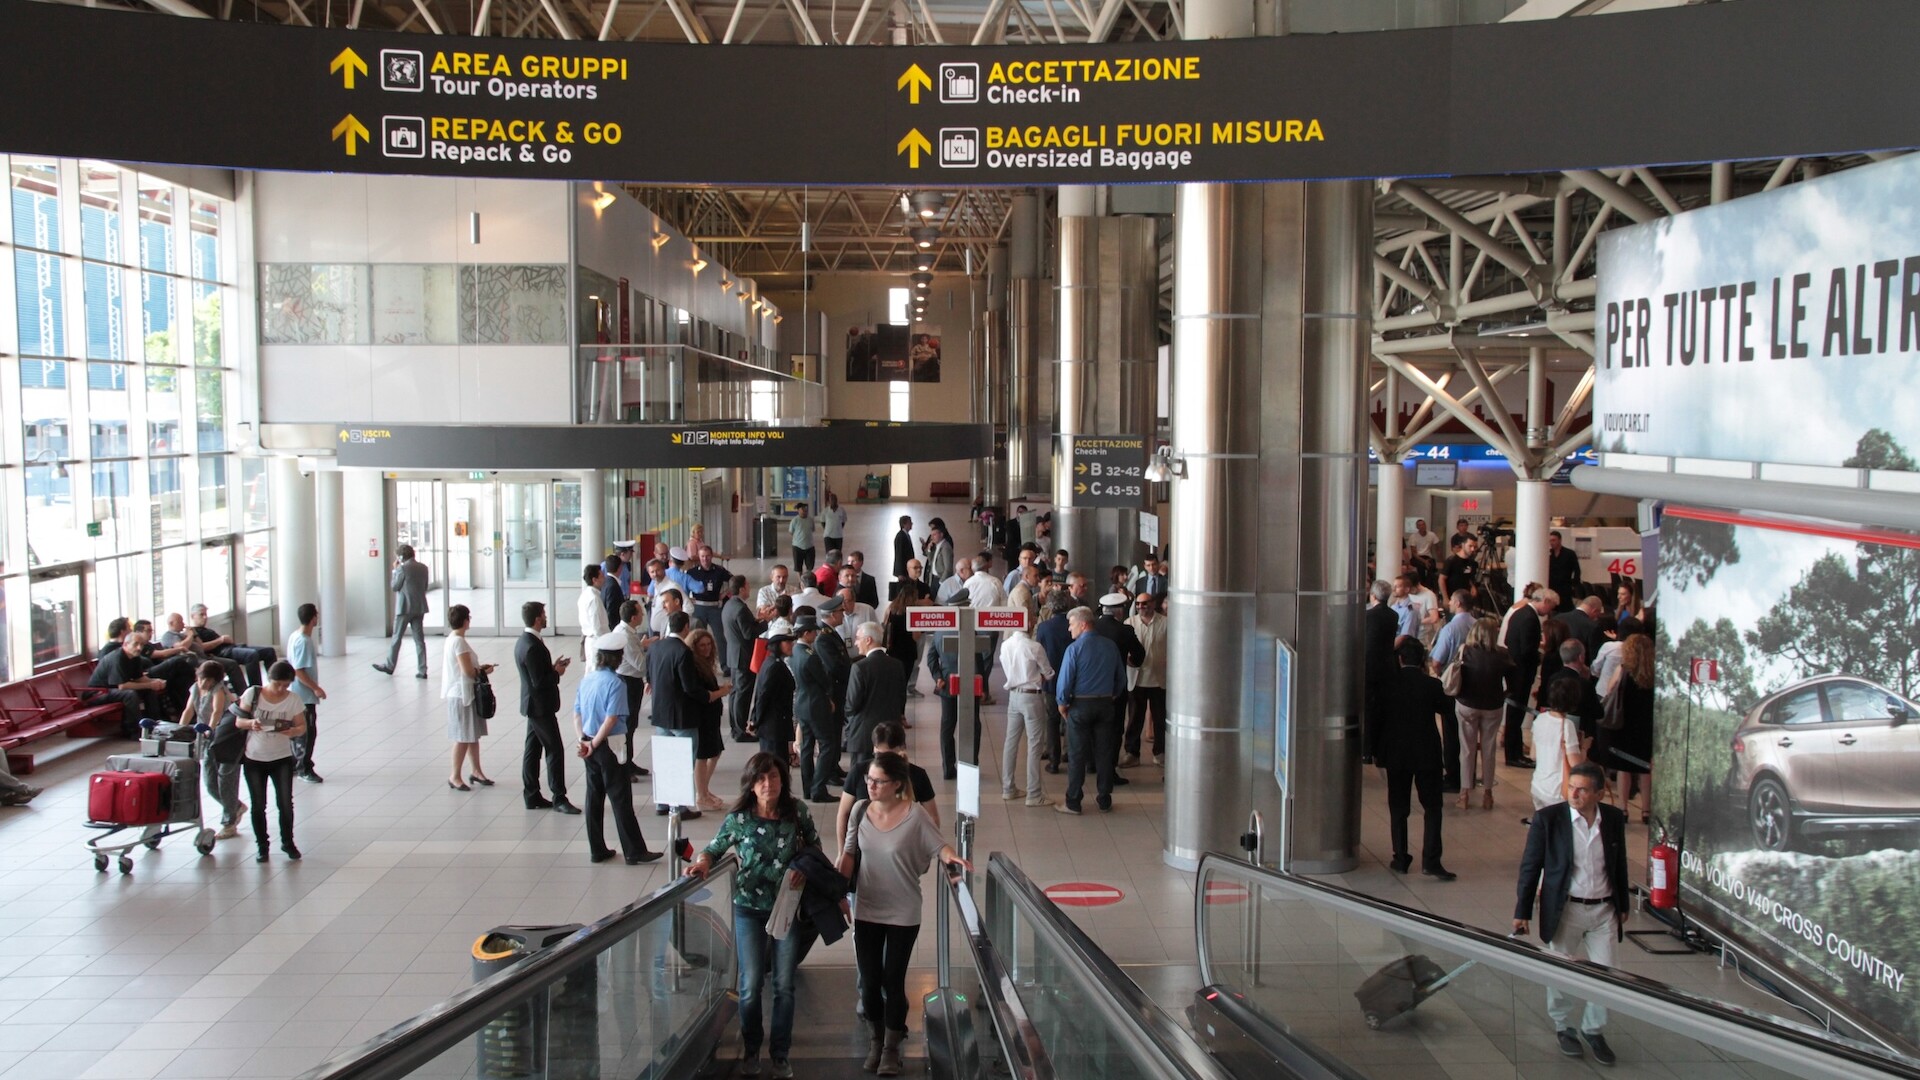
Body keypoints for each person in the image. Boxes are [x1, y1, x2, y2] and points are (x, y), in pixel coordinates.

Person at [687, 753, 823, 1078]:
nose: (768, 784)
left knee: (783, 985)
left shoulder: (797, 812)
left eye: (773, 777)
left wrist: (804, 869)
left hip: (785, 909)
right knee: (749, 985)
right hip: (748, 908)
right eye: (761, 779)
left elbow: (816, 849)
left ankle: (780, 1054)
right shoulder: (740, 819)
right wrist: (703, 862)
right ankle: (751, 1049)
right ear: (751, 784)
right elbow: (715, 847)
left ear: (782, 780)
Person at [840, 752, 970, 1076]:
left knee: (892, 980)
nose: (870, 785)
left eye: (878, 781)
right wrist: (834, 886)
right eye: (868, 779)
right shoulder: (860, 811)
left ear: (896, 784)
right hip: (868, 907)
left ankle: (891, 1048)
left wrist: (954, 858)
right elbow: (848, 855)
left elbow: (939, 846)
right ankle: (876, 1040)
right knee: (869, 983)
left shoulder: (915, 816)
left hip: (903, 911)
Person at [1513, 761, 1629, 1067]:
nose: (1573, 794)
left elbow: (1618, 863)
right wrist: (1522, 911)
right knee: (1560, 971)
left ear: (1599, 794)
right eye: (1571, 787)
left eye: (1581, 789)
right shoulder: (1549, 819)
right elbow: (1531, 865)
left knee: (1607, 975)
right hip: (1566, 909)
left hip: (1604, 909)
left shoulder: (1614, 819)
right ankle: (1564, 1027)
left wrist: (1624, 904)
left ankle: (1593, 1029)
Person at [574, 631, 663, 865]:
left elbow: (577, 714)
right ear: (616, 658)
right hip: (609, 745)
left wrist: (584, 741)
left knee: (593, 796)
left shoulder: (587, 680)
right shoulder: (616, 683)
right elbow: (612, 718)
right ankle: (634, 851)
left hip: (588, 741)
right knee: (620, 798)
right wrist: (595, 743)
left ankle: (597, 849)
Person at [1378, 640, 1454, 880]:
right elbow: (1447, 709)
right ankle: (1431, 860)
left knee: (1398, 807)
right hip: (1426, 754)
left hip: (1397, 754)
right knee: (1432, 807)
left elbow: (1378, 718)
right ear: (1422, 660)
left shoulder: (1388, 685)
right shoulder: (1431, 685)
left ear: (1400, 659)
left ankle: (1400, 858)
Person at [1054, 606, 1127, 816]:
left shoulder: (1074, 649)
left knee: (1077, 755)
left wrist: (1062, 703)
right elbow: (1121, 678)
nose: (1069, 629)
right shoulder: (1110, 646)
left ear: (1083, 624)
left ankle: (1073, 801)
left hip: (1080, 705)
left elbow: (1065, 680)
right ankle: (1104, 799)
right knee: (1104, 753)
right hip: (1105, 705)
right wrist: (1111, 695)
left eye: (1072, 624)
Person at [236, 660, 308, 862]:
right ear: (270, 679)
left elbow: (302, 726)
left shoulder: (293, 700)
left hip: (281, 757)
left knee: (285, 803)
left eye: (286, 685)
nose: (281, 689)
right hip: (254, 758)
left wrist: (293, 731)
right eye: (278, 684)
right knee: (259, 805)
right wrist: (252, 723)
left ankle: (288, 842)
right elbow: (238, 721)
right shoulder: (253, 694)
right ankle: (262, 846)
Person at [516, 601, 578, 814]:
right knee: (554, 749)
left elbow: (536, 674)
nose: (546, 617)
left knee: (532, 750)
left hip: (533, 705)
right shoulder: (533, 646)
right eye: (543, 614)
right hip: (540, 707)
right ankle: (559, 797)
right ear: (536, 618)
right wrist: (556, 674)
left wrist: (551, 668)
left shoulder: (524, 641)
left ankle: (531, 795)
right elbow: (539, 681)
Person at [647, 610, 706, 819]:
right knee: (683, 760)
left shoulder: (655, 647)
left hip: (661, 712)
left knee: (665, 759)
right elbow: (689, 686)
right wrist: (706, 696)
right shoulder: (683, 652)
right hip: (682, 714)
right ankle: (680, 806)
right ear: (686, 627)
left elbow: (649, 675)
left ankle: (663, 802)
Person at [1593, 633, 1656, 821]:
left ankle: (1623, 808)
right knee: (1645, 768)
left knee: (1623, 768)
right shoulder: (1654, 674)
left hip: (1624, 724)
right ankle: (1646, 810)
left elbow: (1610, 690)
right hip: (1646, 725)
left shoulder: (1623, 669)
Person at [844, 622, 906, 798]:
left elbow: (852, 704)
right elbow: (902, 698)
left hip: (863, 736)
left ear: (868, 640)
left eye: (858, 638)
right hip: (891, 736)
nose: (856, 643)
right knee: (889, 778)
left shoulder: (859, 667)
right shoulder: (897, 665)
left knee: (862, 786)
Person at [1456, 616, 1512, 809]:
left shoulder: (1466, 650)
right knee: (1489, 750)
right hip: (1493, 705)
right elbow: (1514, 682)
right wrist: (1503, 694)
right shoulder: (1502, 654)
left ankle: (1464, 794)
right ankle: (1488, 794)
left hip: (1467, 704)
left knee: (1467, 749)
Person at [997, 622, 1054, 806]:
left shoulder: (1005, 645)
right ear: (1029, 625)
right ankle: (1034, 794)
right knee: (1034, 744)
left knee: (1010, 742)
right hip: (1032, 697)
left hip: (1013, 696)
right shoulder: (1034, 646)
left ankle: (1008, 788)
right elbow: (1049, 673)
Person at [182, 660, 240, 839]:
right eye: (200, 678)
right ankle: (235, 807)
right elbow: (188, 710)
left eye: (207, 680)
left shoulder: (219, 690)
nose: (203, 683)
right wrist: (180, 730)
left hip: (226, 736)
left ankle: (229, 823)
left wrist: (209, 729)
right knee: (210, 782)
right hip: (206, 739)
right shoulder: (195, 688)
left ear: (215, 680)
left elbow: (216, 711)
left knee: (226, 781)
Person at [442, 604, 497, 791]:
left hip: (464, 694)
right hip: (461, 695)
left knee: (472, 735)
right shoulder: (458, 642)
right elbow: (467, 671)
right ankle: (454, 776)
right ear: (465, 621)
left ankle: (476, 771)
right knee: (463, 737)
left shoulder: (453, 639)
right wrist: (483, 671)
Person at [789, 614, 838, 803]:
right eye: (814, 632)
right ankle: (819, 788)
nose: (816, 634)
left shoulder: (794, 653)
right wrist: (829, 695)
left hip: (801, 704)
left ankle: (808, 788)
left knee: (807, 747)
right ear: (807, 633)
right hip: (816, 705)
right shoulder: (810, 657)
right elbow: (824, 680)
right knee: (827, 745)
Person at [1502, 587, 1552, 769]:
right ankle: (1513, 754)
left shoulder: (1519, 613)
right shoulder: (1530, 618)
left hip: (1515, 670)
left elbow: (1508, 640)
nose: (1550, 612)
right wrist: (1539, 657)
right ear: (1544, 601)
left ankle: (1514, 752)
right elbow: (1527, 649)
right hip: (1522, 673)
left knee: (1514, 715)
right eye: (1551, 606)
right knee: (1516, 715)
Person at [686, 627, 732, 812]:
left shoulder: (705, 663)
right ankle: (701, 794)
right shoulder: (695, 665)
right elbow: (703, 693)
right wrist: (722, 692)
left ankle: (704, 789)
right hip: (703, 715)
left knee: (715, 752)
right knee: (703, 756)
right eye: (702, 645)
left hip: (712, 715)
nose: (706, 648)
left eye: (708, 645)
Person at [1529, 676, 1587, 814]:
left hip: (1538, 786)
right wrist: (1584, 748)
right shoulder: (1567, 726)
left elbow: (1533, 755)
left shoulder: (1540, 719)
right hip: (1557, 791)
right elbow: (1575, 764)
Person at [1122, 592, 1166, 768]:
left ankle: (1160, 752)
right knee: (1134, 718)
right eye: (1138, 604)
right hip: (1136, 679)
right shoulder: (1129, 623)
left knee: (1160, 718)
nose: (1141, 607)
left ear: (1153, 604)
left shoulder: (1166, 623)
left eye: (1145, 603)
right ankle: (1132, 753)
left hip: (1159, 679)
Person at [374, 543, 431, 678]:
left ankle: (390, 665)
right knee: (419, 640)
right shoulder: (424, 568)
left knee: (397, 637)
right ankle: (422, 670)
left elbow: (395, 586)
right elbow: (425, 586)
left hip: (404, 608)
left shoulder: (402, 569)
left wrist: (395, 570)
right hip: (419, 607)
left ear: (400, 556)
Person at [1033, 591, 1074, 773]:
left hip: (1051, 679)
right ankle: (1070, 753)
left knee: (1052, 720)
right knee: (1071, 718)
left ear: (1050, 606)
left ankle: (1054, 759)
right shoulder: (1073, 625)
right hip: (1072, 678)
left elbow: (1038, 653)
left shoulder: (1044, 628)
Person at [286, 603, 327, 784]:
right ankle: (304, 767)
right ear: (314, 618)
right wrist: (315, 688)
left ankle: (296, 764)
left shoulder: (295, 636)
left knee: (300, 731)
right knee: (307, 732)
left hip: (296, 694)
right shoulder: (304, 641)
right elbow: (299, 670)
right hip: (303, 695)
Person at [615, 600, 653, 781]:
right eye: (640, 613)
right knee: (627, 727)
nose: (643, 616)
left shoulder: (628, 632)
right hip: (628, 683)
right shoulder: (626, 636)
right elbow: (640, 664)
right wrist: (653, 654)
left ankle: (629, 761)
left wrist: (643, 646)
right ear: (633, 617)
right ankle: (624, 767)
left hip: (631, 682)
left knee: (631, 726)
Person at [749, 632, 798, 763]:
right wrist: (755, 721)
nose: (791, 645)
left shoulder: (771, 662)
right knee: (775, 762)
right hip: (773, 726)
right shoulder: (775, 666)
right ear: (777, 646)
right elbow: (763, 696)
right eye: (787, 643)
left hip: (773, 725)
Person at [578, 564, 610, 659]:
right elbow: (598, 627)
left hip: (592, 640)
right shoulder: (594, 599)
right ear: (594, 580)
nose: (604, 578)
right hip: (597, 642)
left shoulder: (586, 595)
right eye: (601, 576)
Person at [1546, 531, 1582, 612]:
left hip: (1565, 586)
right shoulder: (1548, 554)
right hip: (1552, 586)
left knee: (1565, 607)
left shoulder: (1569, 553)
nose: (1551, 543)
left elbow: (1577, 570)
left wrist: (1575, 584)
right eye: (1550, 540)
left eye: (1554, 540)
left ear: (1559, 540)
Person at [789, 505, 816, 574]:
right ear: (798, 511)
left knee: (810, 565)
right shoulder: (795, 520)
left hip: (809, 545)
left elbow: (812, 529)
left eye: (806, 510)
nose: (805, 512)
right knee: (798, 566)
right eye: (803, 510)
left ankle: (807, 578)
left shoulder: (810, 520)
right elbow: (791, 532)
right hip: (797, 546)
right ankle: (800, 581)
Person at [822, 491, 847, 557]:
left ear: (836, 500)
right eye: (831, 500)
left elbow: (843, 522)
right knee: (830, 554)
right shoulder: (825, 511)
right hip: (828, 536)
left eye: (834, 499)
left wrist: (838, 528)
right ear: (829, 501)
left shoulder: (841, 510)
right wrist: (829, 529)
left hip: (838, 536)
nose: (833, 501)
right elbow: (823, 523)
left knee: (837, 554)